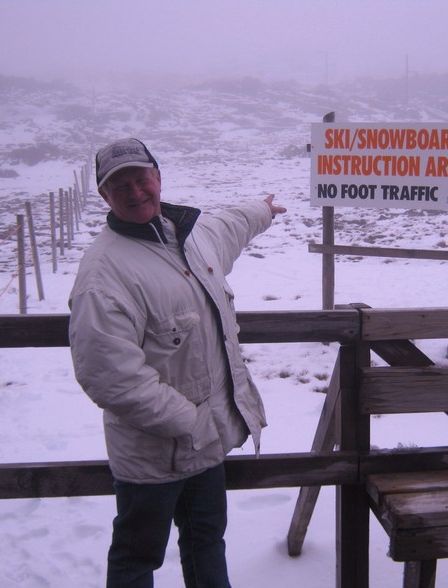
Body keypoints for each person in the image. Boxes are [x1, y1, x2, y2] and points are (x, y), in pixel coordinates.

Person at [68, 137, 286, 588]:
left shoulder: (190, 236)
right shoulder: (103, 274)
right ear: (105, 197)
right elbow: (111, 378)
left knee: (207, 543)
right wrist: (192, 422)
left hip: (204, 448)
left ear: (158, 177)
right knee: (137, 558)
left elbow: (231, 226)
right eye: (119, 185)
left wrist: (261, 211)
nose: (134, 191)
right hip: (153, 458)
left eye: (141, 178)